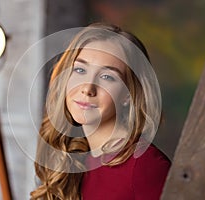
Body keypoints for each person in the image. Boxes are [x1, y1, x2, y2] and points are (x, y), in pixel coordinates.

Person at [30, 22, 171, 200]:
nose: (87, 88)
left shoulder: (145, 166)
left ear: (128, 95)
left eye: (107, 77)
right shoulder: (74, 158)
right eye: (80, 70)